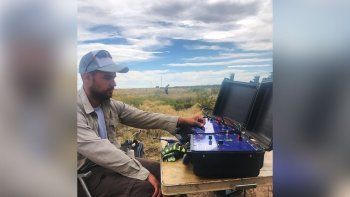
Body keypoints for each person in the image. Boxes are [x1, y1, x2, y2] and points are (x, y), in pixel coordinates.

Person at [77, 50, 205, 197]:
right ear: (87, 78)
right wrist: (142, 173)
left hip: (110, 165)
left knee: (167, 177)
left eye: (114, 77)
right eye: (107, 78)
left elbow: (143, 116)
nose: (114, 83)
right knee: (149, 190)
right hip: (86, 176)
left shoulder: (107, 104)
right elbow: (99, 150)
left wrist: (181, 120)